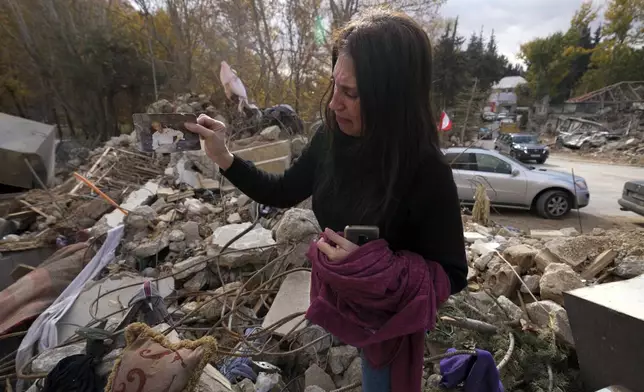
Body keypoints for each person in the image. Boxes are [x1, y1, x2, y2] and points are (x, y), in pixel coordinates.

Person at [186, 9, 467, 392]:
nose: (334, 103)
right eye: (334, 84)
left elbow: (452, 273)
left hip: (389, 327)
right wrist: (224, 157)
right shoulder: (330, 137)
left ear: (391, 97)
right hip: (336, 304)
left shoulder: (425, 169)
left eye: (350, 93)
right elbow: (282, 190)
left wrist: (374, 268)